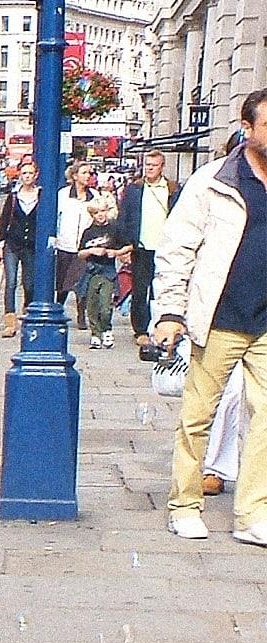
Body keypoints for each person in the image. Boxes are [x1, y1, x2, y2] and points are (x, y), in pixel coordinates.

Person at [154, 87, 267, 545]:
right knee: (198, 417)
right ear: (247, 128)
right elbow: (177, 247)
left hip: (265, 323)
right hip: (218, 318)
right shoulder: (213, 180)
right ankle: (184, 505)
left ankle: (252, 513)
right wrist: (169, 311)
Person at [118, 150, 181, 347]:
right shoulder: (135, 189)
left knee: (161, 291)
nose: (150, 168)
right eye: (147, 165)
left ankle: (160, 328)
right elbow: (124, 217)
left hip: (165, 249)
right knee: (140, 291)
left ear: (162, 167)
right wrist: (125, 246)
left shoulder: (172, 189)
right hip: (141, 248)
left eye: (154, 165)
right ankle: (140, 330)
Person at [0, 159, 41, 338]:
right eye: (24, 173)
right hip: (12, 244)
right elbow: (4, 222)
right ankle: (10, 323)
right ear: (20, 176)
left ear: (36, 175)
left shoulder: (41, 196)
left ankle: (27, 313)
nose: (27, 176)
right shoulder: (13, 197)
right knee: (10, 283)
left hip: (31, 246)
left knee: (29, 283)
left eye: (30, 173)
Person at [75, 196, 130, 349]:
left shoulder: (115, 229)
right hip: (92, 271)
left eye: (102, 211)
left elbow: (129, 245)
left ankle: (106, 329)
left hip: (108, 271)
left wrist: (116, 252)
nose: (100, 215)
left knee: (105, 305)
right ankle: (95, 333)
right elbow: (80, 253)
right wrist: (91, 251)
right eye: (96, 213)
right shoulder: (88, 232)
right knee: (92, 305)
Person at [55, 161, 97, 328]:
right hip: (65, 244)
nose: (88, 176)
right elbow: (55, 217)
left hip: (85, 247)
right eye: (84, 173)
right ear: (74, 176)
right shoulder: (63, 195)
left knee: (82, 282)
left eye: (89, 173)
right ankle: (58, 309)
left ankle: (81, 314)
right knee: (63, 283)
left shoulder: (94, 196)